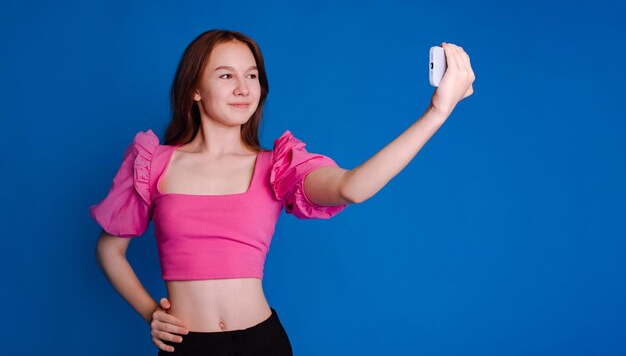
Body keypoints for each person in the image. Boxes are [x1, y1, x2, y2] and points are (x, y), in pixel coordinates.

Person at [89, 29, 475, 356]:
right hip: (185, 347)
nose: (243, 89)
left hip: (261, 343)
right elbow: (110, 249)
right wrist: (149, 312)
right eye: (226, 76)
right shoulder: (153, 163)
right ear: (194, 90)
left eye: (252, 75)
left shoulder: (279, 166)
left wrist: (436, 113)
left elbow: (351, 187)